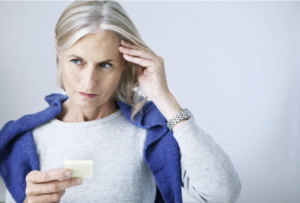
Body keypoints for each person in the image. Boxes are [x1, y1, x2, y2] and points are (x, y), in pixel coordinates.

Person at [0, 0, 241, 203]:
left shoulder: (151, 129)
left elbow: (222, 194)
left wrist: (163, 97)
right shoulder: (24, 138)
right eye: (77, 61)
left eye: (106, 64)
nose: (89, 82)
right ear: (58, 50)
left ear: (125, 63)